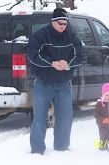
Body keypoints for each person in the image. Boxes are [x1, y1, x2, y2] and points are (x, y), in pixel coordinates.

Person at [27, 8, 83, 155]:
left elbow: (80, 55)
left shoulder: (71, 36)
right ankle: (37, 150)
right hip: (43, 83)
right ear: (52, 21)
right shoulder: (39, 36)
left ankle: (62, 148)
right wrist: (51, 63)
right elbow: (33, 54)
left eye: (65, 23)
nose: (63, 26)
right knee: (39, 118)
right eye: (60, 23)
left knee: (65, 117)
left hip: (63, 84)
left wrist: (68, 64)